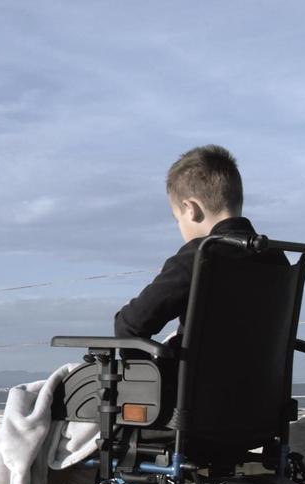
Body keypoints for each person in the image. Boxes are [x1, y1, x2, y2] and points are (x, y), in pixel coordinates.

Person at [113, 144, 268, 339]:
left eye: (177, 219)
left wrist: (146, 366)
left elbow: (129, 326)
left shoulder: (198, 256)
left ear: (191, 209)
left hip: (196, 369)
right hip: (262, 370)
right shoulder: (274, 256)